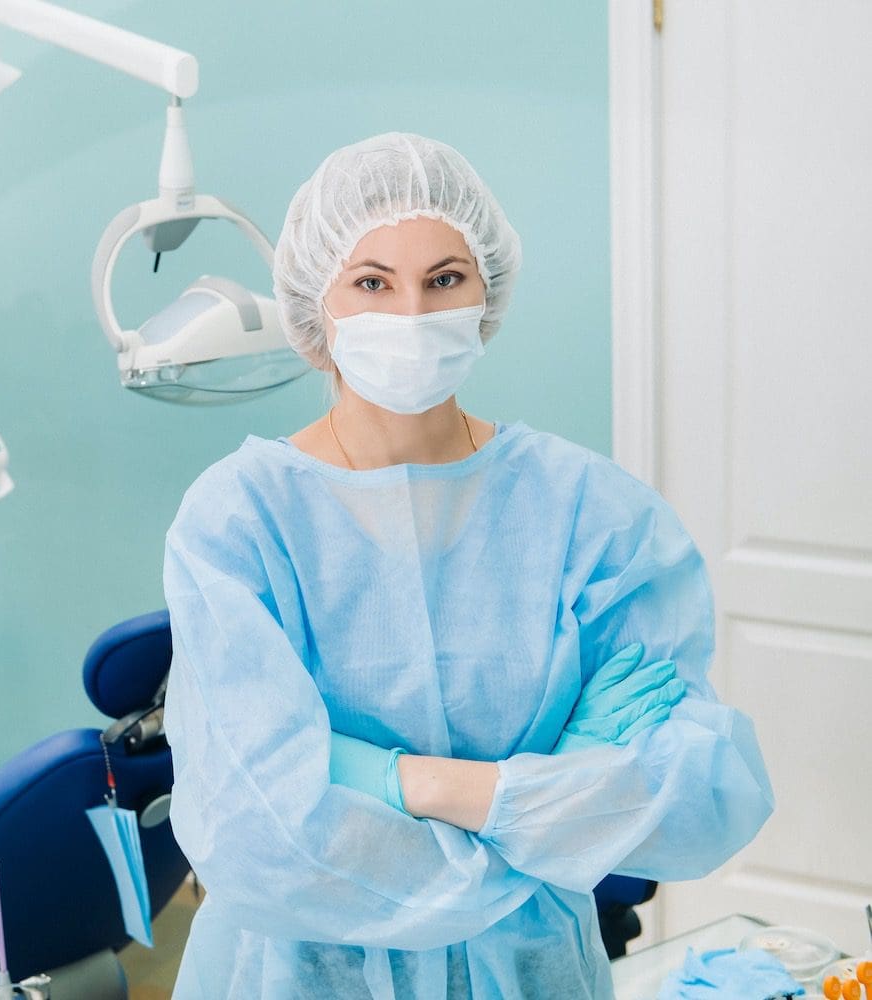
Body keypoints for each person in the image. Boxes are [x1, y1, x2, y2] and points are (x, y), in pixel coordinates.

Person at [161, 132, 774, 998]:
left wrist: (385, 778)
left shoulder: (591, 515)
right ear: (315, 306)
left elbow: (701, 789)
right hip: (300, 973)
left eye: (444, 278)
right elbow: (262, 826)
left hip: (532, 975)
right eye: (372, 282)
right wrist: (542, 801)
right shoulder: (239, 519)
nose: (411, 315)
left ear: (487, 291)